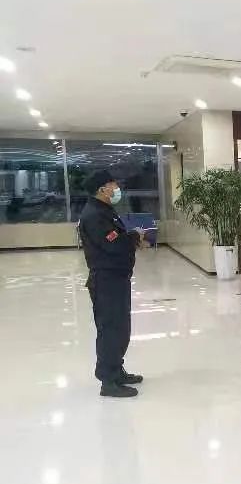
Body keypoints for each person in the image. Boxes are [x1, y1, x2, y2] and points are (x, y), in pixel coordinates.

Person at [78, 169, 145, 398]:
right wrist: (134, 237)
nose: (116, 188)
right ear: (102, 189)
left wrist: (130, 238)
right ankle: (108, 381)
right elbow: (113, 245)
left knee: (120, 328)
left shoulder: (104, 210)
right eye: (113, 185)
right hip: (106, 281)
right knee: (110, 330)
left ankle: (117, 370)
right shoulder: (95, 215)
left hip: (116, 278)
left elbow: (116, 238)